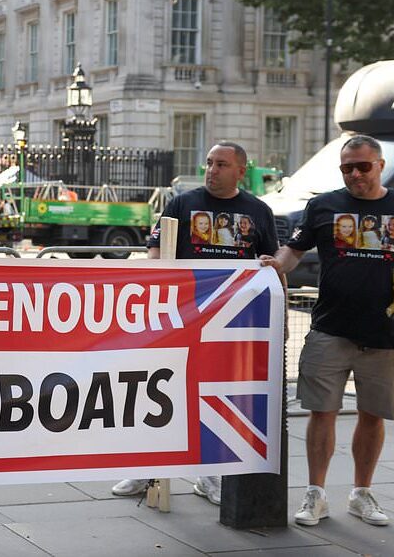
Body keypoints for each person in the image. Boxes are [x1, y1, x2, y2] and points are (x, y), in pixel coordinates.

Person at [260, 135, 394, 528]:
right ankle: (316, 494)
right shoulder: (323, 205)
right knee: (322, 412)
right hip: (330, 327)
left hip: (385, 331)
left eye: (362, 166)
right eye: (347, 167)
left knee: (372, 415)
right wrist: (277, 264)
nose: (355, 173)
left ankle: (361, 493)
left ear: (380, 165)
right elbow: (295, 249)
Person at [112, 141, 277, 506]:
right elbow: (155, 252)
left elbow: (269, 262)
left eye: (221, 164)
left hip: (228, 322)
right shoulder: (182, 204)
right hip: (181, 318)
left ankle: (208, 473)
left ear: (240, 170)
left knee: (213, 395)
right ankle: (147, 469)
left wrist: (269, 266)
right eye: (208, 162)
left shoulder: (258, 211)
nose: (212, 169)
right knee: (160, 393)